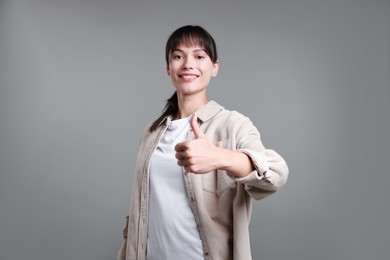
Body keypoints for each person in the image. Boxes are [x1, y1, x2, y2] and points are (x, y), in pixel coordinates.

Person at [117, 25, 289, 260]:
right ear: (168, 68)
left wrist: (219, 157)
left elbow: (276, 175)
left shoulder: (232, 124)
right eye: (178, 56)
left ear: (214, 67)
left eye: (199, 56)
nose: (188, 64)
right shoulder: (152, 132)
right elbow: (138, 215)